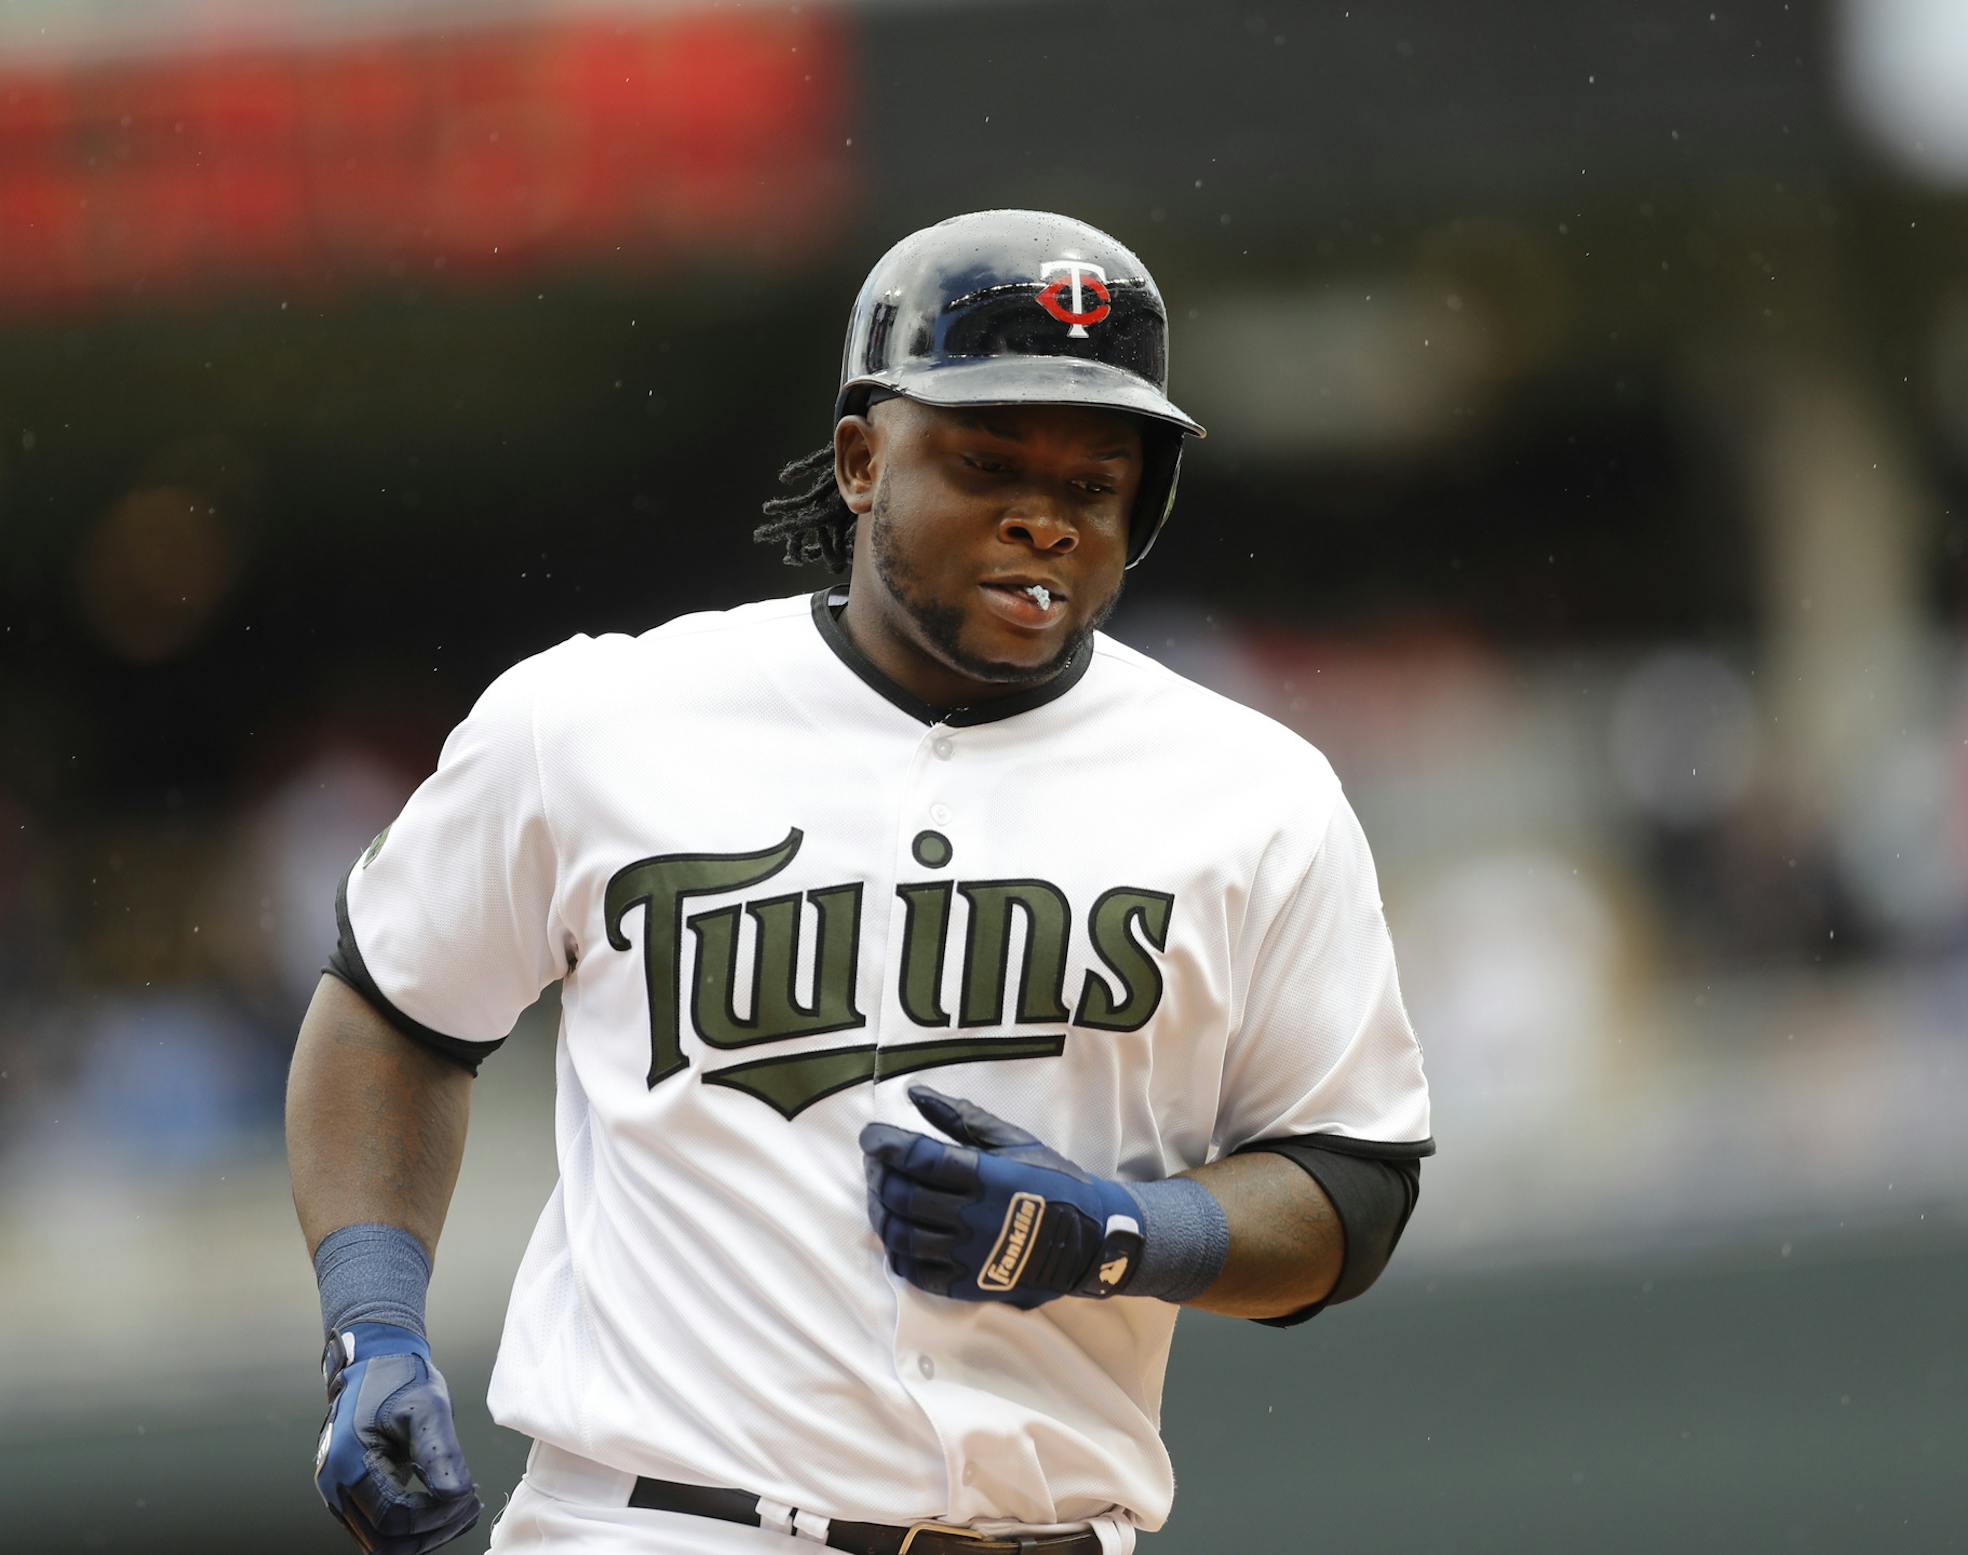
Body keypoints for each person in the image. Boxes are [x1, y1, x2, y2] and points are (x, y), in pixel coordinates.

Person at [286, 209, 1433, 1555]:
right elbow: (394, 1012)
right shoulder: (598, 720)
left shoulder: (1254, 790)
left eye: (1094, 482)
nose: (1045, 520)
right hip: (668, 1525)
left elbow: (1354, 1185)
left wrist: (1120, 1233)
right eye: (988, 460)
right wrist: (374, 1324)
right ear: (860, 459)